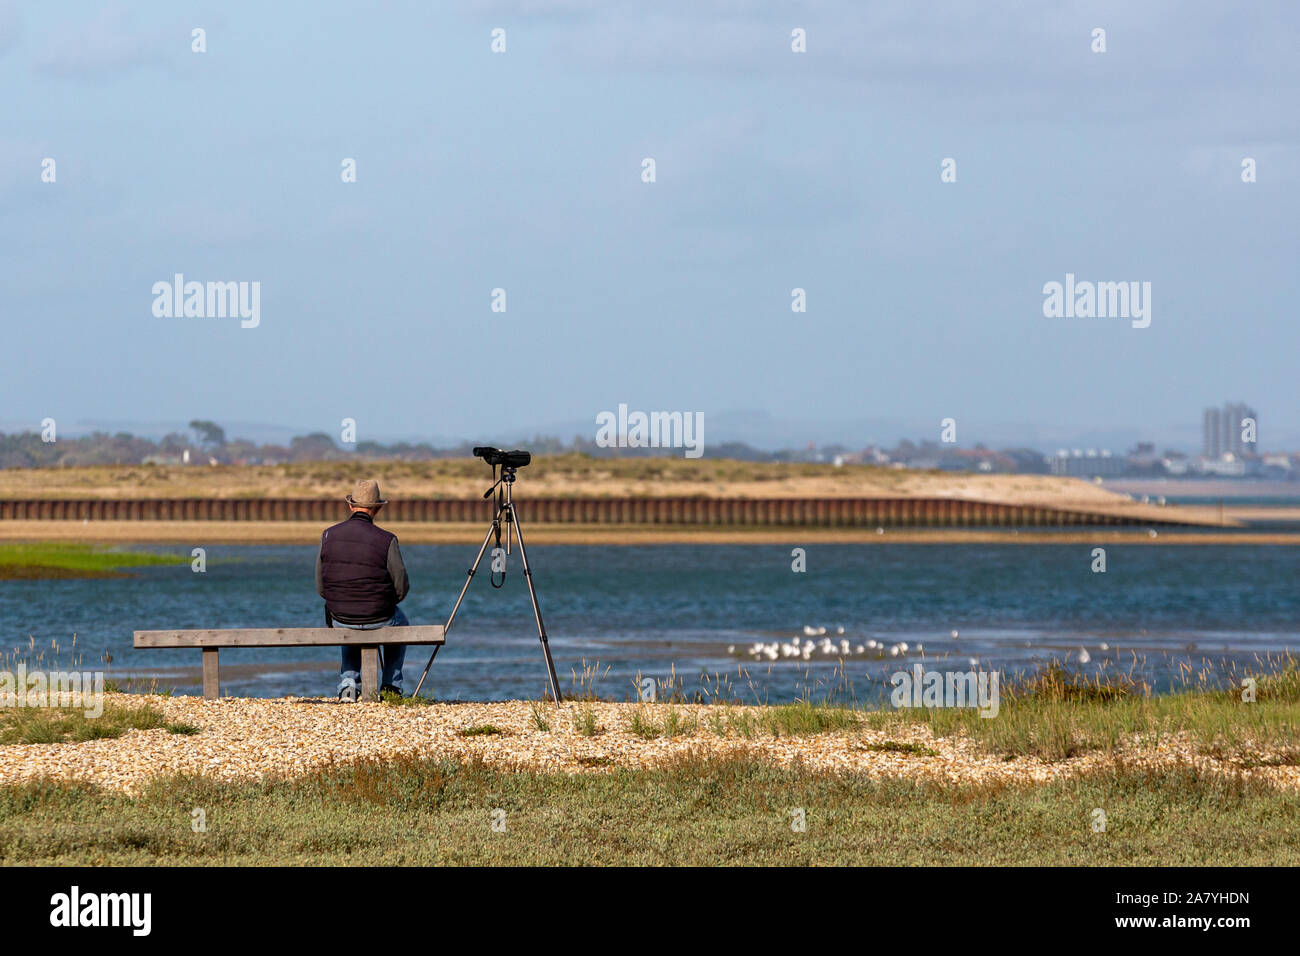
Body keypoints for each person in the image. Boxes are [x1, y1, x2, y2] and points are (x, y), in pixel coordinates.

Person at [316, 479, 410, 701]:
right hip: (380, 615)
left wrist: (339, 600)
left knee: (345, 617)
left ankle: (349, 685)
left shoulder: (328, 535)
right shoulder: (387, 539)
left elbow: (321, 586)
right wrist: (385, 603)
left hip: (341, 616)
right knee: (402, 623)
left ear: (350, 505)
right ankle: (391, 686)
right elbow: (401, 586)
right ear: (377, 509)